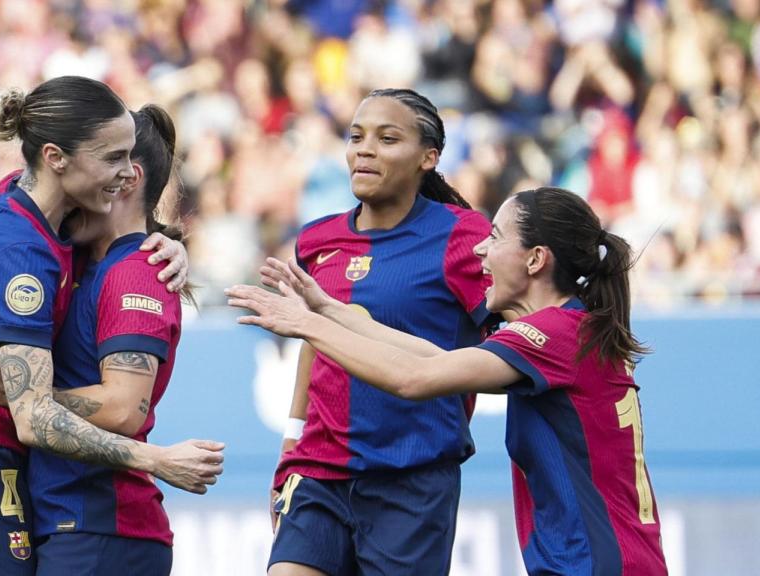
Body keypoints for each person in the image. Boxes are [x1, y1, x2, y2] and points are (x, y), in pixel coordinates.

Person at [228, 186, 668, 575]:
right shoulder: (568, 331)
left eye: (495, 238)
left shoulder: (554, 335)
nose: (481, 251)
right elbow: (439, 359)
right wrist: (329, 310)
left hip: (597, 565)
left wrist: (307, 327)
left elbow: (414, 378)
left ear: (536, 259)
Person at [0, 76, 223, 576]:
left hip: (27, 486)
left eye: (130, 161)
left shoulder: (30, 210)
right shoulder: (26, 251)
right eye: (113, 159)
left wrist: (167, 243)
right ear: (56, 158)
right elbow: (32, 410)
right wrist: (155, 459)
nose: (125, 174)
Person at [261, 88, 495, 576]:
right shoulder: (317, 238)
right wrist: (291, 440)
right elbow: (314, 337)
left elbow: (510, 332)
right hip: (319, 471)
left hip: (411, 478)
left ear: (428, 157)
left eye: (388, 139)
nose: (364, 150)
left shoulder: (463, 236)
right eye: (356, 137)